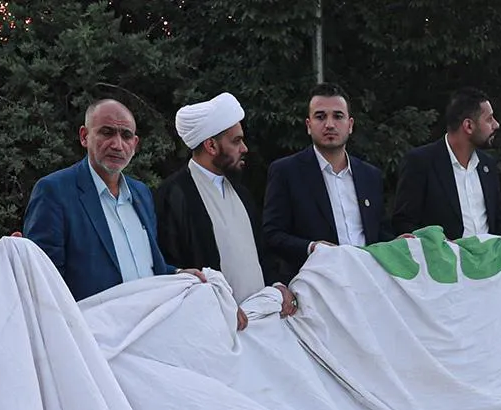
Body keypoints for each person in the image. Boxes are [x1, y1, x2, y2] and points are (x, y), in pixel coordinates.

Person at [152, 93, 295, 324]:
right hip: (212, 326)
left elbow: (262, 252)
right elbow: (174, 271)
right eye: (236, 141)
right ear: (211, 145)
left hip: (261, 322)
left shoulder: (241, 192)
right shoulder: (173, 195)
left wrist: (278, 285)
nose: (244, 148)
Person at [24, 99, 177, 300]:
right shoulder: (54, 192)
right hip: (90, 319)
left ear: (135, 144)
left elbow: (147, 266)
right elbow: (43, 280)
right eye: (107, 132)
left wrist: (177, 274)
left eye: (126, 136)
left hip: (152, 315)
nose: (117, 145)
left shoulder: (142, 194)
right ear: (84, 136)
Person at [262, 83, 388, 279]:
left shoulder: (370, 176)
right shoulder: (286, 172)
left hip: (369, 280)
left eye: (338, 116)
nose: (329, 124)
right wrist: (312, 248)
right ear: (308, 125)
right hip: (315, 283)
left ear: (350, 125)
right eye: (320, 117)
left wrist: (401, 243)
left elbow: (381, 232)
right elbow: (272, 234)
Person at [389, 88, 501, 240]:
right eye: (489, 119)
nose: (496, 125)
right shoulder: (421, 162)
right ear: (468, 126)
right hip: (443, 255)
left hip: (488, 254)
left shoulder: (487, 165)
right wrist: (438, 244)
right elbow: (404, 222)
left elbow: (497, 222)